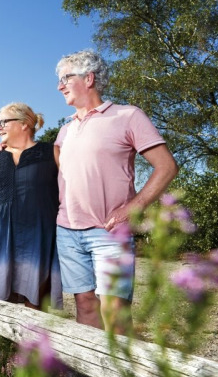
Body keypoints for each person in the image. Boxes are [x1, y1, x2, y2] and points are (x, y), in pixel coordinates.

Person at [54, 49, 178, 334]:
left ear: (89, 79)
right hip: (68, 231)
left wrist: (134, 207)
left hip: (109, 231)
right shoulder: (64, 131)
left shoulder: (128, 116)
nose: (59, 86)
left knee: (114, 310)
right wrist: (5, 147)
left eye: (65, 78)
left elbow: (167, 167)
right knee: (84, 305)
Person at [0, 102, 63, 310]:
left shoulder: (53, 153)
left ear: (24, 124)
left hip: (38, 238)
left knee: (36, 305)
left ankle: (32, 342)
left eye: (3, 122)